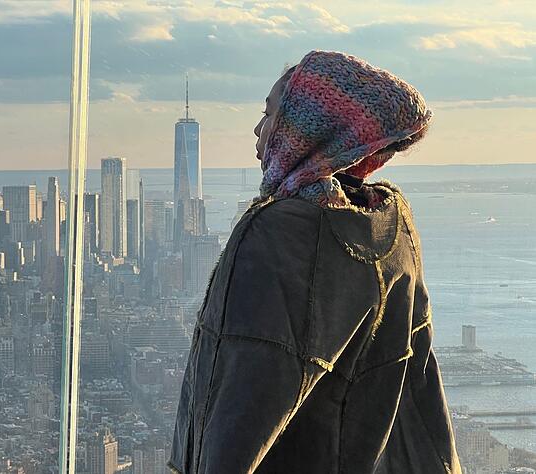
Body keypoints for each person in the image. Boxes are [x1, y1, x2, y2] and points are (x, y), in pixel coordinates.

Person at [168, 50, 461, 473]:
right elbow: (420, 394)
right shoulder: (393, 231)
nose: (258, 129)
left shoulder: (273, 234)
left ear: (309, 131)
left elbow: (235, 411)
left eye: (271, 115)